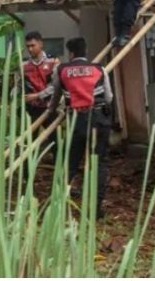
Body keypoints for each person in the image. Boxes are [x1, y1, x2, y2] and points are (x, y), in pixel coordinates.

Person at [47, 37, 113, 219]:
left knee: (70, 162)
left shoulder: (62, 70)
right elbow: (108, 97)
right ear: (85, 51)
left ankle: (58, 205)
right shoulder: (99, 69)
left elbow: (55, 95)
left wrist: (52, 110)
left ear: (71, 53)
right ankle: (96, 209)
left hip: (77, 119)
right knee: (99, 164)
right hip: (99, 119)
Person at [22, 31, 60, 123]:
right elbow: (19, 85)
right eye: (28, 46)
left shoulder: (53, 61)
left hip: (50, 107)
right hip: (32, 109)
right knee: (31, 137)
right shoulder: (23, 64)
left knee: (53, 136)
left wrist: (37, 96)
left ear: (41, 44)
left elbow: (56, 86)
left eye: (32, 45)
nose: (30, 49)